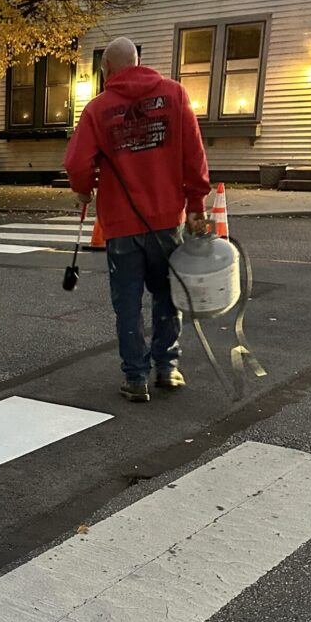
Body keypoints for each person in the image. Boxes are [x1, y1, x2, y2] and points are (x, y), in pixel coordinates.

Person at [64, 37, 211, 403]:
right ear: (137, 61)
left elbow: (76, 162)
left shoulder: (99, 109)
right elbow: (194, 154)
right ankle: (167, 368)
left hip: (121, 224)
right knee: (166, 295)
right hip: (165, 220)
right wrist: (196, 203)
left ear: (106, 69)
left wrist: (84, 190)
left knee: (127, 302)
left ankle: (135, 378)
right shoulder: (175, 96)